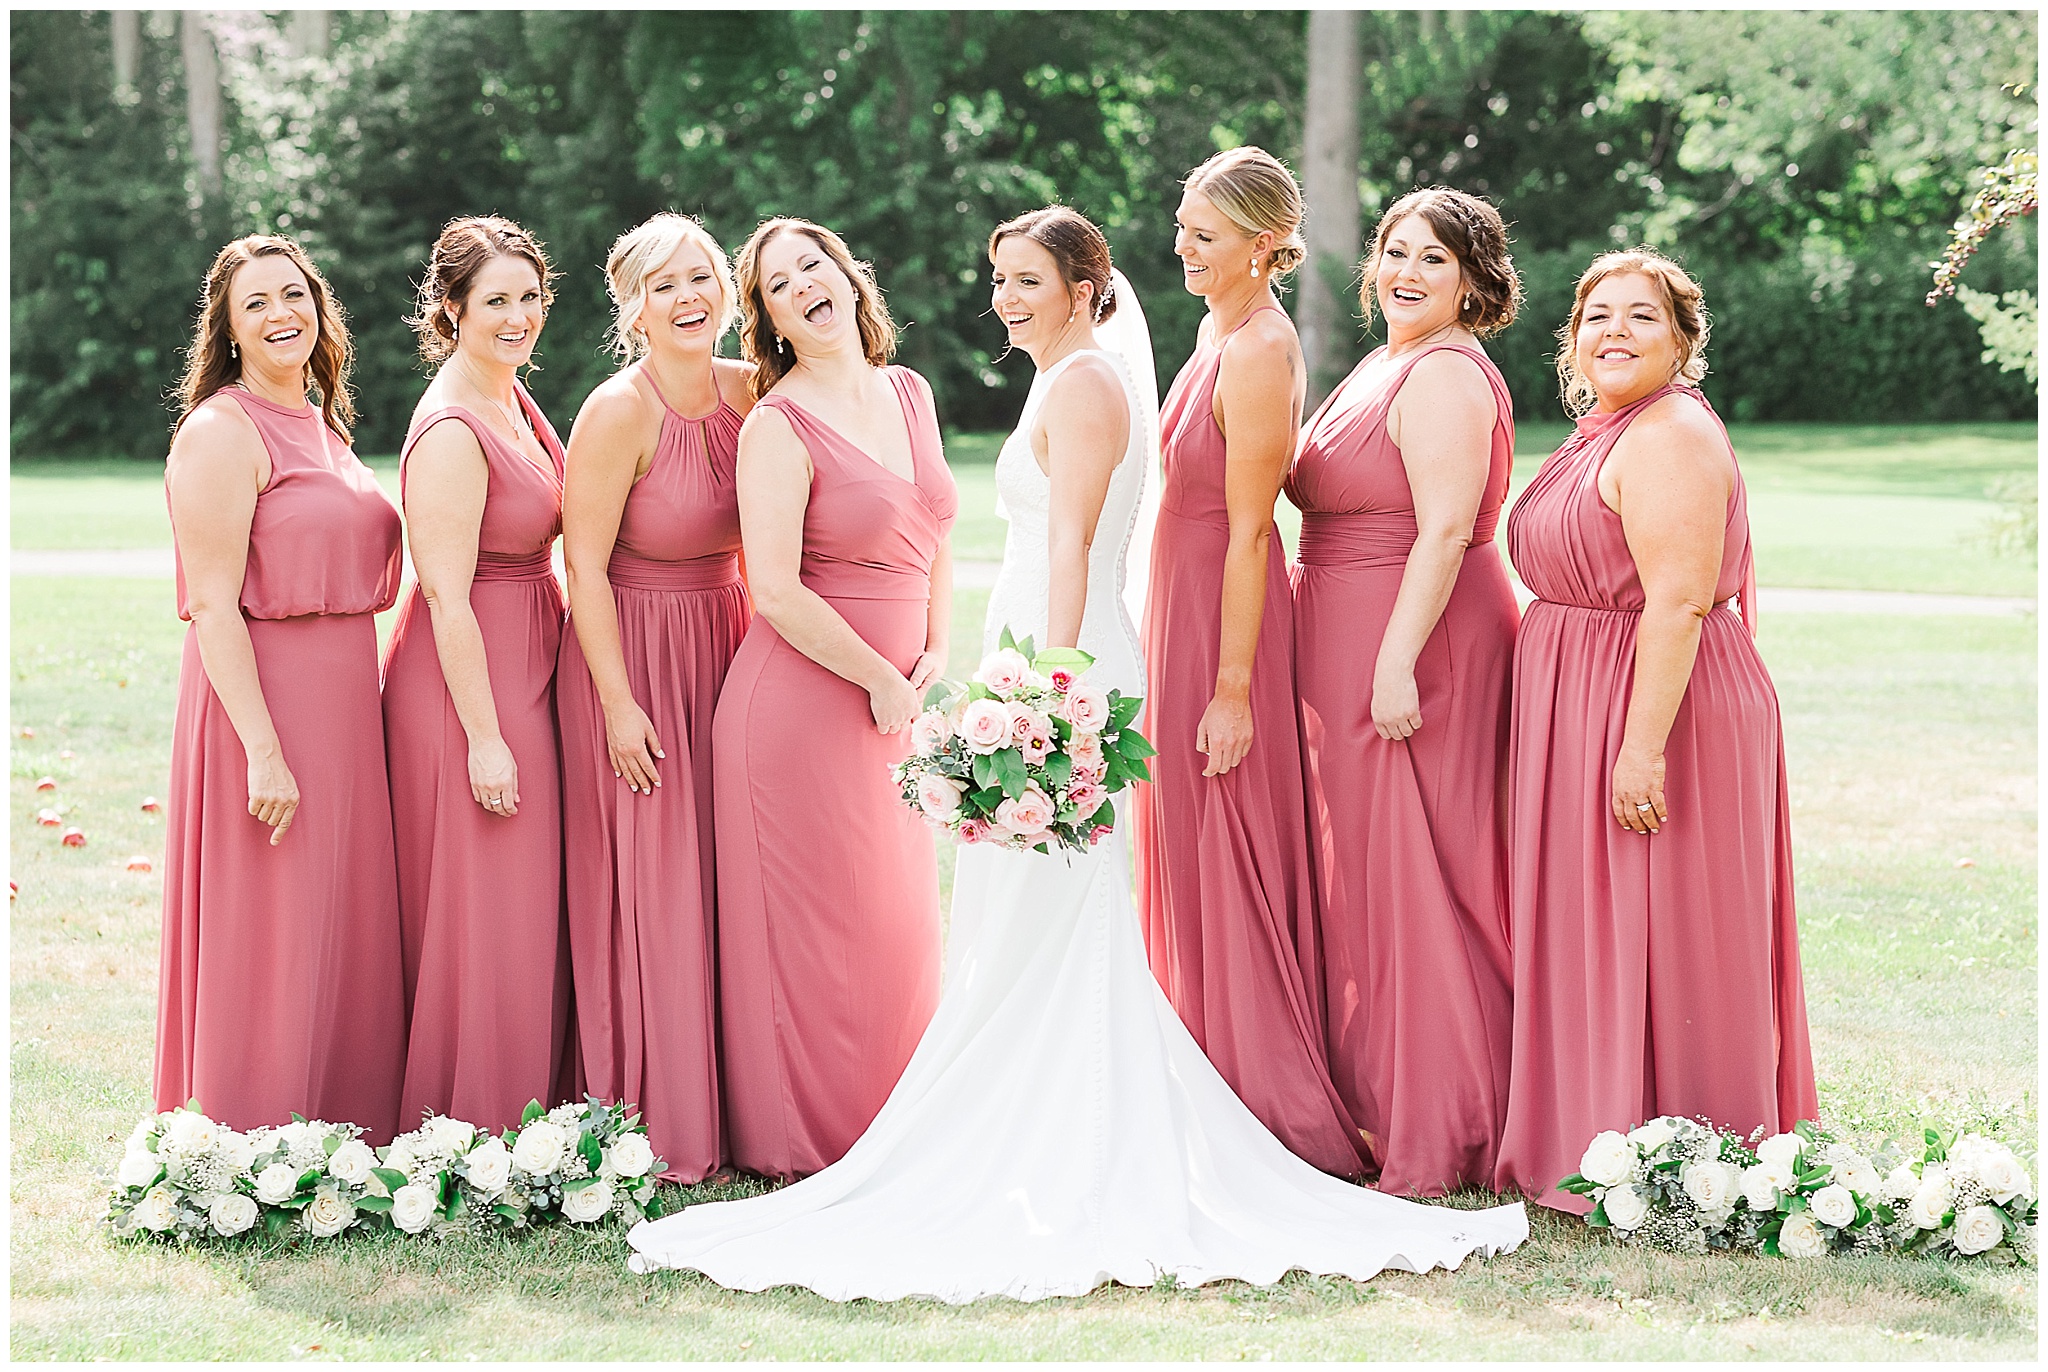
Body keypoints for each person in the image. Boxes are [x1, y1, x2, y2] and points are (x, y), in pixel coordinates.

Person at [623, 207, 1527, 1302]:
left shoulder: (1086, 384)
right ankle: (1017, 1115)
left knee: (1053, 912)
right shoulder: (1050, 380)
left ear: (1083, 285)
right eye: (995, 277)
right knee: (1019, 915)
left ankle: (1059, 1132)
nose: (1004, 297)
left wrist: (1046, 695)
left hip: (1061, 661)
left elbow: (1069, 545)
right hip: (1037, 654)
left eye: (1026, 279)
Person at [1493, 249, 1819, 1210]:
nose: (1616, 332)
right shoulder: (1605, 430)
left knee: (1667, 920)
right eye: (1598, 315)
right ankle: (1601, 1128)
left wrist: (1638, 749)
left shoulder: (1670, 434)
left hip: (1654, 708)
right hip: (1586, 695)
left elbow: (1675, 604)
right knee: (1604, 920)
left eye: (1642, 317)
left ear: (1684, 342)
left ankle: (1686, 1150)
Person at [1133, 146, 1370, 1178]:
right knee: (1184, 836)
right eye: (1182, 224)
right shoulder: (1212, 325)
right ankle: (1195, 1057)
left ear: (1264, 245)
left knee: (1225, 830)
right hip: (1181, 605)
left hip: (1225, 614)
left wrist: (1233, 691)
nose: (1182, 245)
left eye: (1205, 233)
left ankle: (1258, 1093)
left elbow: (1248, 531)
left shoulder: (1259, 349)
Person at [710, 218, 956, 1180]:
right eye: (777, 285)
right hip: (800, 711)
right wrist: (881, 676)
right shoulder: (776, 423)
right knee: (818, 930)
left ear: (848, 275)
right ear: (768, 320)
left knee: (896, 918)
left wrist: (935, 643)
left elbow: (934, 527)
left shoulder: (911, 392)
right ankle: (807, 1139)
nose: (803, 285)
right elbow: (773, 588)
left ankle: (896, 1121)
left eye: (812, 264)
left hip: (891, 703)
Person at [1287, 188, 1521, 1195]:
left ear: (1473, 282)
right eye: (1392, 250)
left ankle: (1451, 1120)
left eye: (1433, 257)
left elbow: (1440, 528)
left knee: (1424, 876)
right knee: (1378, 880)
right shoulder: (1384, 362)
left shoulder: (1440, 376)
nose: (1406, 271)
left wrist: (1390, 662)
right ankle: (1386, 1098)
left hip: (1416, 646)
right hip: (1356, 631)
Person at [155, 235, 407, 1141]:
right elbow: (213, 607)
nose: (280, 315)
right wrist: (263, 748)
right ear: (226, 328)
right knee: (270, 920)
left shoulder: (322, 423)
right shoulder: (222, 432)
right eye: (255, 302)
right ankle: (251, 1132)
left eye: (293, 295)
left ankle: (343, 1120)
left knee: (339, 916)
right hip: (264, 703)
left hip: (345, 697)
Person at [557, 214, 755, 1183]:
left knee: (730, 878)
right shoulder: (615, 412)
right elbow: (581, 568)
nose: (688, 299)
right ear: (631, 307)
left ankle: (748, 1098)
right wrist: (617, 702)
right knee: (659, 882)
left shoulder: (750, 390)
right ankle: (659, 1112)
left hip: (730, 642)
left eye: (702, 277)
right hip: (632, 654)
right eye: (664, 285)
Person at [381, 216, 575, 1133]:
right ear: (450, 307)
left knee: (524, 896)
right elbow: (446, 597)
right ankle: (480, 1119)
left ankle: (533, 1096)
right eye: (495, 300)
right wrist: (486, 738)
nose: (518, 316)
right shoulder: (454, 426)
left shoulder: (514, 399)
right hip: (472, 681)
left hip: (530, 650)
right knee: (490, 898)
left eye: (530, 297)